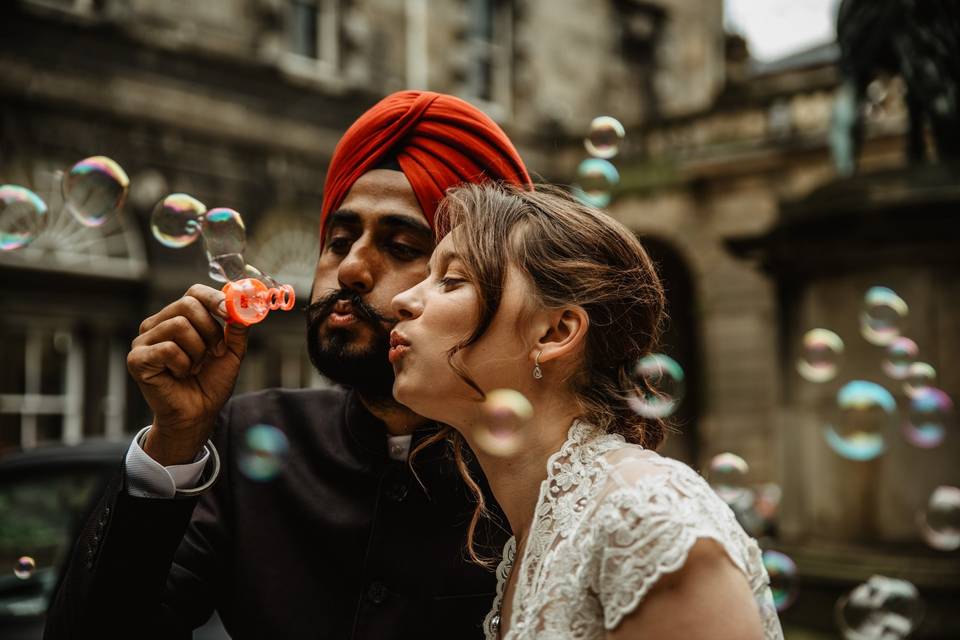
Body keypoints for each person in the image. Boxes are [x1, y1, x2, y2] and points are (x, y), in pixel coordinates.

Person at [44, 91, 531, 639]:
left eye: (400, 247)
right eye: (339, 240)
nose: (350, 269)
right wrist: (174, 441)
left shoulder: (535, 477)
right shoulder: (242, 436)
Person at [389, 183, 784, 640]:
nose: (404, 299)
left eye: (452, 281)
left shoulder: (644, 518)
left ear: (555, 332)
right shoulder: (529, 538)